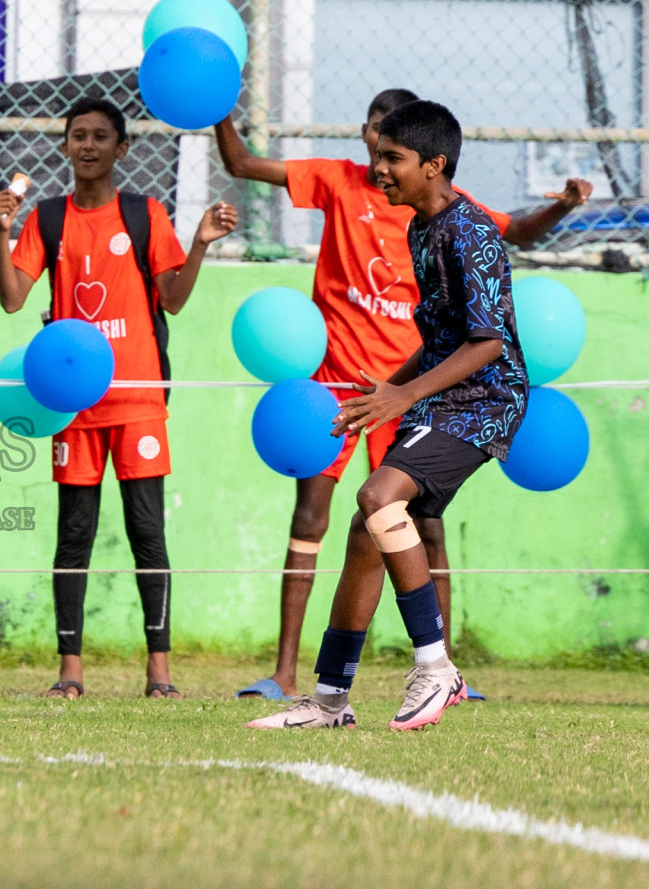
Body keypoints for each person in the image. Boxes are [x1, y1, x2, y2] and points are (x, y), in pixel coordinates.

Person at [215, 91, 591, 700]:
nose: (378, 165)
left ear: (433, 165)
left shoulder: (470, 231)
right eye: (377, 148)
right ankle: (329, 697)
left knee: (378, 496)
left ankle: (437, 669)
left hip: (482, 402)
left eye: (392, 155)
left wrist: (401, 394)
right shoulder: (422, 226)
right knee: (369, 528)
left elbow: (488, 343)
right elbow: (441, 334)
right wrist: (395, 387)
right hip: (424, 392)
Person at [0, 97, 238, 700]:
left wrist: (200, 243)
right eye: (78, 135)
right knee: (73, 534)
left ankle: (159, 672)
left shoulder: (144, 214)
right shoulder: (48, 218)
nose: (88, 145)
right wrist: (3, 233)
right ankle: (70, 672)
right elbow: (11, 298)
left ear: (121, 149)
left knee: (146, 532)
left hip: (138, 402)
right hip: (72, 406)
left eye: (101, 136)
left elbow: (172, 299)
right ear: (65, 146)